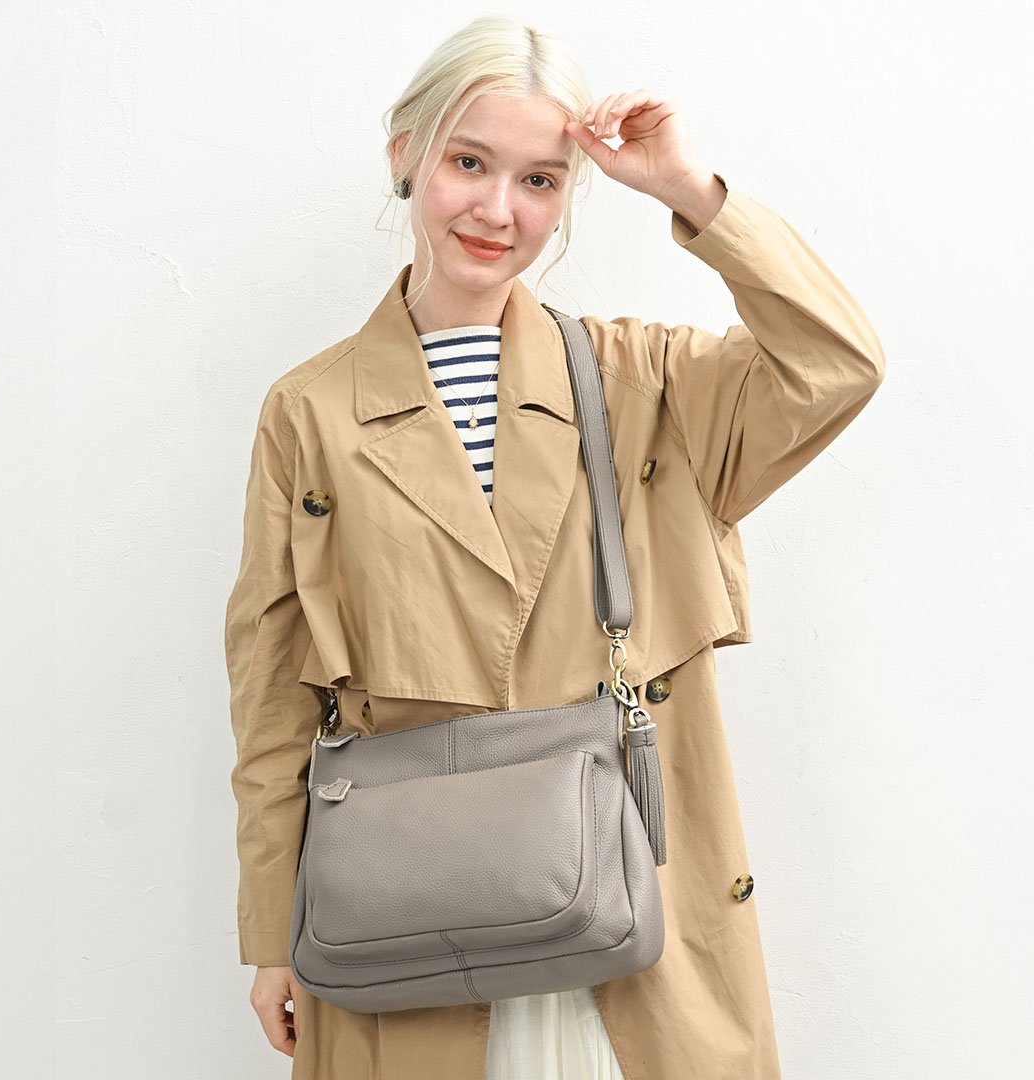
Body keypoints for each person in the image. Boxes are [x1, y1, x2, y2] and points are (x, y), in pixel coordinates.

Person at [224, 14, 886, 1080]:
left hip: (637, 940)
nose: (498, 210)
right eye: (468, 162)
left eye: (540, 180)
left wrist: (689, 189)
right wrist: (270, 933)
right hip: (409, 938)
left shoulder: (647, 383)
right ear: (406, 153)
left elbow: (837, 364)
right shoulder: (310, 411)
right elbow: (270, 697)